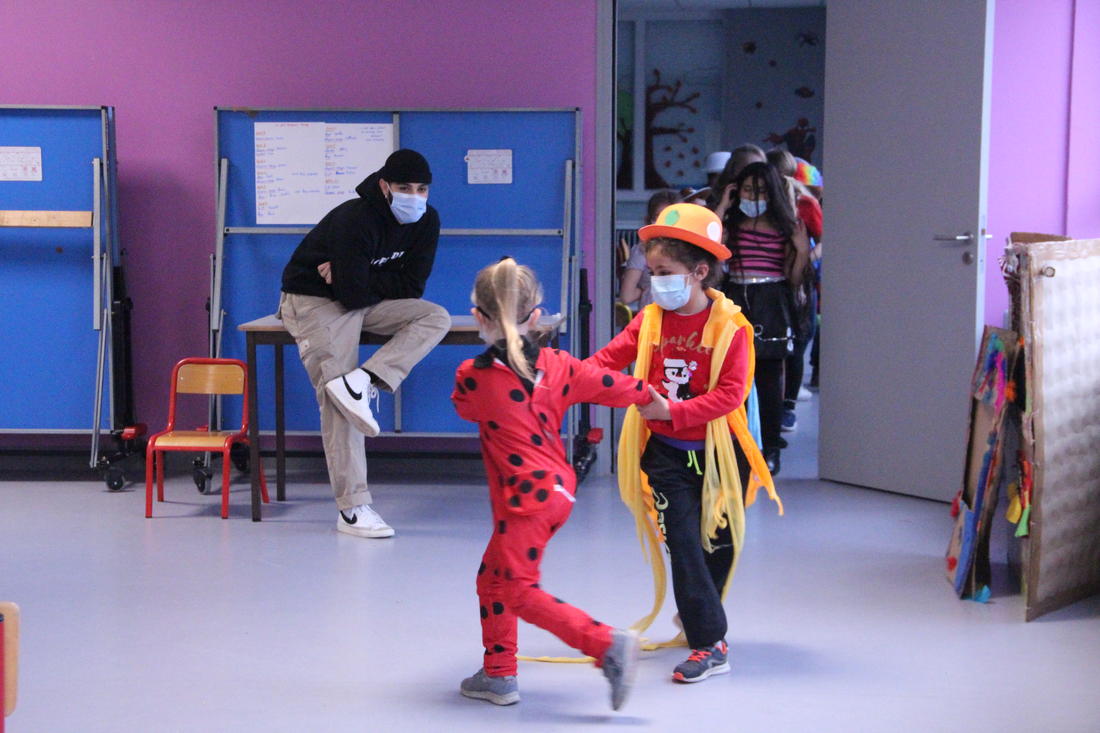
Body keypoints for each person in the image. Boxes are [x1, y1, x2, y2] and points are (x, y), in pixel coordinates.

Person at [588, 204, 780, 683]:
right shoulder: (649, 321)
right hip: (667, 456)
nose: (655, 282)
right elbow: (606, 361)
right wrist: (560, 378)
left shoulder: (732, 328)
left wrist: (671, 411)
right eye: (652, 273)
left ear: (699, 272)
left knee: (719, 546)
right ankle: (710, 642)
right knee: (685, 545)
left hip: (721, 455)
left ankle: (699, 612)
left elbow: (730, 395)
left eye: (664, 272)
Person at [452, 257, 649, 710]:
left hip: (524, 500)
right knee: (493, 579)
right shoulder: (560, 365)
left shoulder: (473, 375)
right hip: (556, 490)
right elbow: (614, 385)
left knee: (517, 589)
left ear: (478, 317)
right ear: (537, 315)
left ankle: (607, 644)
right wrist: (652, 398)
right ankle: (498, 673)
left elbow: (465, 407)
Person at [278, 148, 450, 538]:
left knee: (433, 316)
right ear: (385, 186)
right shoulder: (354, 218)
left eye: (422, 189)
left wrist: (353, 275)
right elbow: (351, 295)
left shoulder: (428, 221)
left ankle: (365, 380)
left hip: (362, 297)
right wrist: (354, 281)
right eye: (404, 187)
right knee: (337, 398)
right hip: (315, 301)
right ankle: (352, 508)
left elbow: (412, 286)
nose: (414, 196)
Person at [721, 162, 810, 475]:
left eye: (760, 191)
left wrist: (802, 252)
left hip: (772, 300)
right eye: (747, 190)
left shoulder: (787, 227)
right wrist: (723, 205)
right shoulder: (731, 224)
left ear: (772, 193)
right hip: (736, 297)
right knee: (734, 379)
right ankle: (739, 447)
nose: (753, 197)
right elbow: (712, 254)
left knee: (770, 380)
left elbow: (794, 279)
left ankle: (770, 449)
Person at [766, 148, 823, 432]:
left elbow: (825, 238)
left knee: (798, 343)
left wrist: (806, 258)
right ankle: (770, 406)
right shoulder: (762, 202)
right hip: (768, 280)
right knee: (771, 344)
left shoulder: (805, 203)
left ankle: (788, 406)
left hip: (799, 281)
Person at [619, 189, 679, 311]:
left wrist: (646, 289)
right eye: (660, 217)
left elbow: (627, 296)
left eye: (670, 218)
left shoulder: (642, 250)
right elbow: (626, 297)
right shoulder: (690, 249)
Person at [708, 143, 767, 220]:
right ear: (733, 170)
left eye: (759, 168)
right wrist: (722, 207)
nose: (754, 173)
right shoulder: (718, 202)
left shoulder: (769, 200)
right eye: (747, 168)